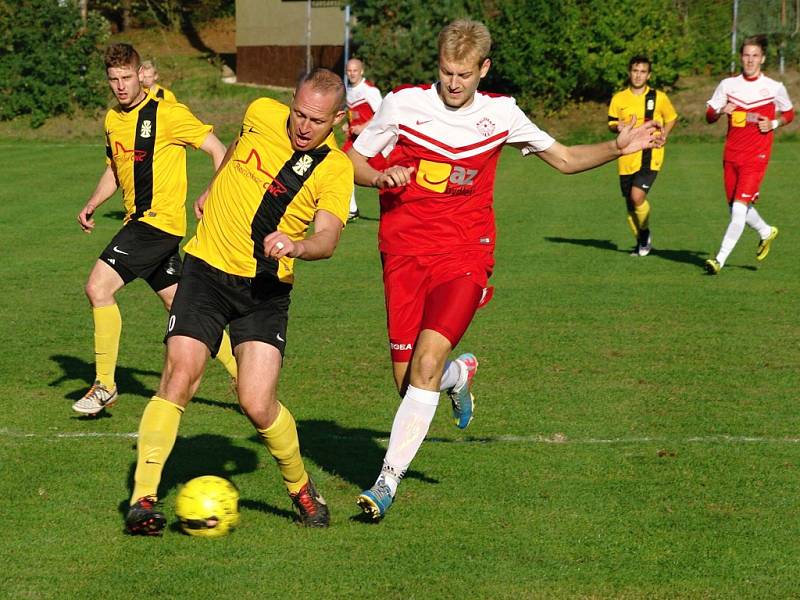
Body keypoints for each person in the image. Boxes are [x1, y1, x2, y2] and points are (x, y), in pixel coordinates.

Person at [346, 19, 664, 520]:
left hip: (466, 254)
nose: (454, 83)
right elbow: (353, 161)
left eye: (465, 74)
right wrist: (380, 174)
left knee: (424, 365)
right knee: (410, 382)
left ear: (484, 69)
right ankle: (459, 376)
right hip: (403, 253)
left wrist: (617, 148)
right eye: (447, 72)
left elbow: (562, 158)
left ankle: (386, 483)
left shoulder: (502, 114)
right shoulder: (403, 104)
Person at [124, 67, 353, 535]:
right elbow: (235, 149)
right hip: (206, 270)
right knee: (179, 375)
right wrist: (214, 184)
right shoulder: (260, 112)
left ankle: (301, 487)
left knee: (256, 402)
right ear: (289, 101)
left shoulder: (334, 168)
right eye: (298, 114)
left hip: (264, 291)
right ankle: (143, 500)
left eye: (316, 120)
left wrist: (298, 246)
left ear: (338, 119)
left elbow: (327, 236)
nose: (303, 127)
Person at [73, 43, 237, 416]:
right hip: (141, 224)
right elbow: (116, 169)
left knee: (98, 287)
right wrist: (93, 202)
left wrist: (213, 192)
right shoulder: (113, 119)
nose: (120, 86)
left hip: (157, 224)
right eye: (113, 79)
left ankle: (105, 384)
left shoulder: (168, 114)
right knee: (181, 305)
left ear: (139, 74)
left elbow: (218, 148)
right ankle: (243, 372)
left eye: (126, 77)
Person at [704, 35, 794, 275]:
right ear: (741, 57)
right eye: (746, 55)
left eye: (755, 55)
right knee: (735, 208)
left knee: (738, 210)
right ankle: (765, 231)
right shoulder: (728, 85)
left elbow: (789, 113)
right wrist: (722, 110)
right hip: (731, 155)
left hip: (756, 157)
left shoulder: (774, 87)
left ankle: (719, 260)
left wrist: (773, 124)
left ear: (762, 58)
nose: (750, 60)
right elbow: (709, 115)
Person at [608, 56, 678, 256]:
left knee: (637, 196)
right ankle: (642, 242)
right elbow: (611, 122)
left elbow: (672, 118)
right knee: (630, 205)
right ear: (630, 72)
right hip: (626, 156)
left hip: (650, 153)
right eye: (635, 71)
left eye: (643, 71)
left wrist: (664, 134)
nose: (638, 75)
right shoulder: (619, 98)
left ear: (649, 75)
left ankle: (645, 234)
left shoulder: (658, 97)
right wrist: (617, 126)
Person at [342, 58, 383, 221]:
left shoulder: (370, 91)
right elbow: (352, 112)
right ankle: (351, 209)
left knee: (382, 174)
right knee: (342, 166)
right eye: (349, 71)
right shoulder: (347, 89)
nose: (352, 74)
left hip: (371, 139)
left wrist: (363, 127)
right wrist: (348, 124)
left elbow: (382, 114)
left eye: (355, 70)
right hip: (354, 139)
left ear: (362, 71)